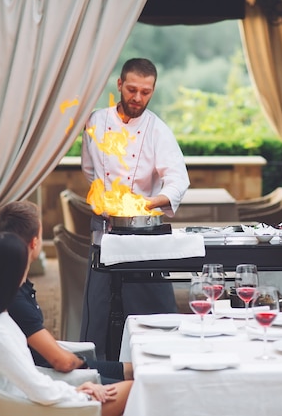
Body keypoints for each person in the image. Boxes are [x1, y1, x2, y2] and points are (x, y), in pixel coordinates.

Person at [81, 58, 190, 358]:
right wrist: (105, 200)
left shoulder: (157, 130)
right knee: (100, 305)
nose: (138, 98)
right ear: (119, 85)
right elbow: (90, 170)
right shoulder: (96, 122)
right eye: (132, 90)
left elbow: (178, 179)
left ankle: (156, 362)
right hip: (104, 228)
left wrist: (149, 203)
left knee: (151, 309)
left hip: (144, 231)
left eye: (146, 92)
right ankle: (101, 371)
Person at [0, 232, 132, 416]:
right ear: (10, 275)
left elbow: (33, 381)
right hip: (37, 408)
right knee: (135, 389)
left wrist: (77, 390)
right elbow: (38, 389)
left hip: (31, 402)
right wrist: (82, 396)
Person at [0, 201, 132, 383]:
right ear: (35, 243)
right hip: (53, 378)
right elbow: (60, 362)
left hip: (61, 367)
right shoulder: (15, 298)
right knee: (138, 385)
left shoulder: (13, 284)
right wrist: (84, 365)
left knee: (136, 370)